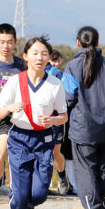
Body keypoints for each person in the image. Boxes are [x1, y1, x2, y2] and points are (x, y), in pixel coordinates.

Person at [0, 37, 67, 209]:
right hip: (18, 138)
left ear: (48, 58)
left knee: (38, 194)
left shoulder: (55, 84)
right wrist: (9, 108)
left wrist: (52, 120)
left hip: (44, 140)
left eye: (44, 53)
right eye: (34, 53)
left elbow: (64, 116)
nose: (39, 57)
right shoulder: (15, 82)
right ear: (25, 56)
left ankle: (26, 201)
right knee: (20, 194)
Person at [64, 26, 105, 209]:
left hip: (82, 128)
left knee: (85, 169)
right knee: (104, 167)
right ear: (98, 43)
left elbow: (68, 97)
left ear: (78, 43)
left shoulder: (72, 66)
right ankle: (100, 204)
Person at [0, 24, 26, 209]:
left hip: (6, 119)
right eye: (2, 42)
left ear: (15, 43)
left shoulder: (21, 66)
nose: (6, 46)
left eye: (10, 42)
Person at [45, 52, 70, 194]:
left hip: (56, 119)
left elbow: (66, 95)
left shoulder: (57, 73)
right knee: (42, 153)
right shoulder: (31, 71)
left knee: (55, 153)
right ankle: (44, 184)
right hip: (39, 120)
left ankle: (61, 174)